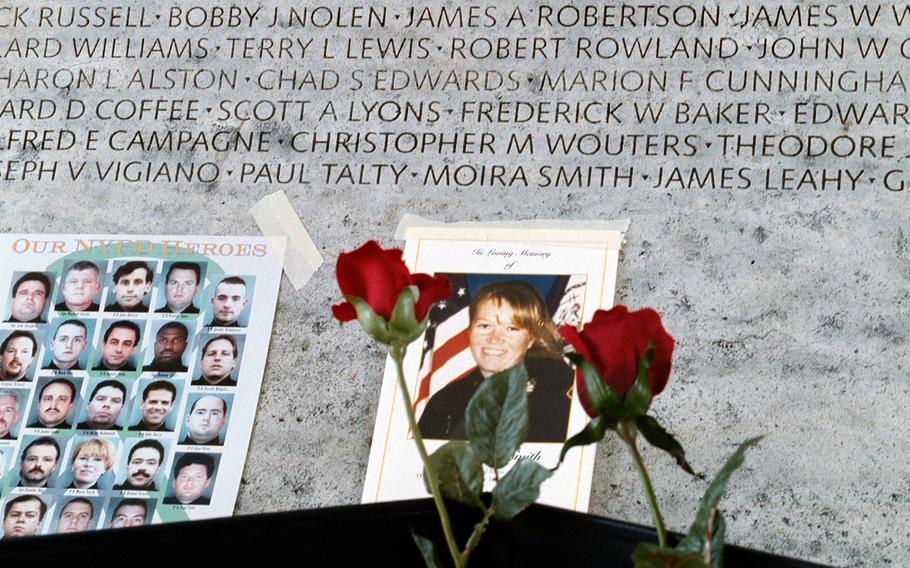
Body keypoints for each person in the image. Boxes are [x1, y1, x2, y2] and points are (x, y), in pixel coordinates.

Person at [417, 281, 574, 443]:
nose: (494, 338)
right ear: (470, 332)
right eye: (485, 326)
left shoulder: (556, 392)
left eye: (511, 328)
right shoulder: (444, 401)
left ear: (530, 339)